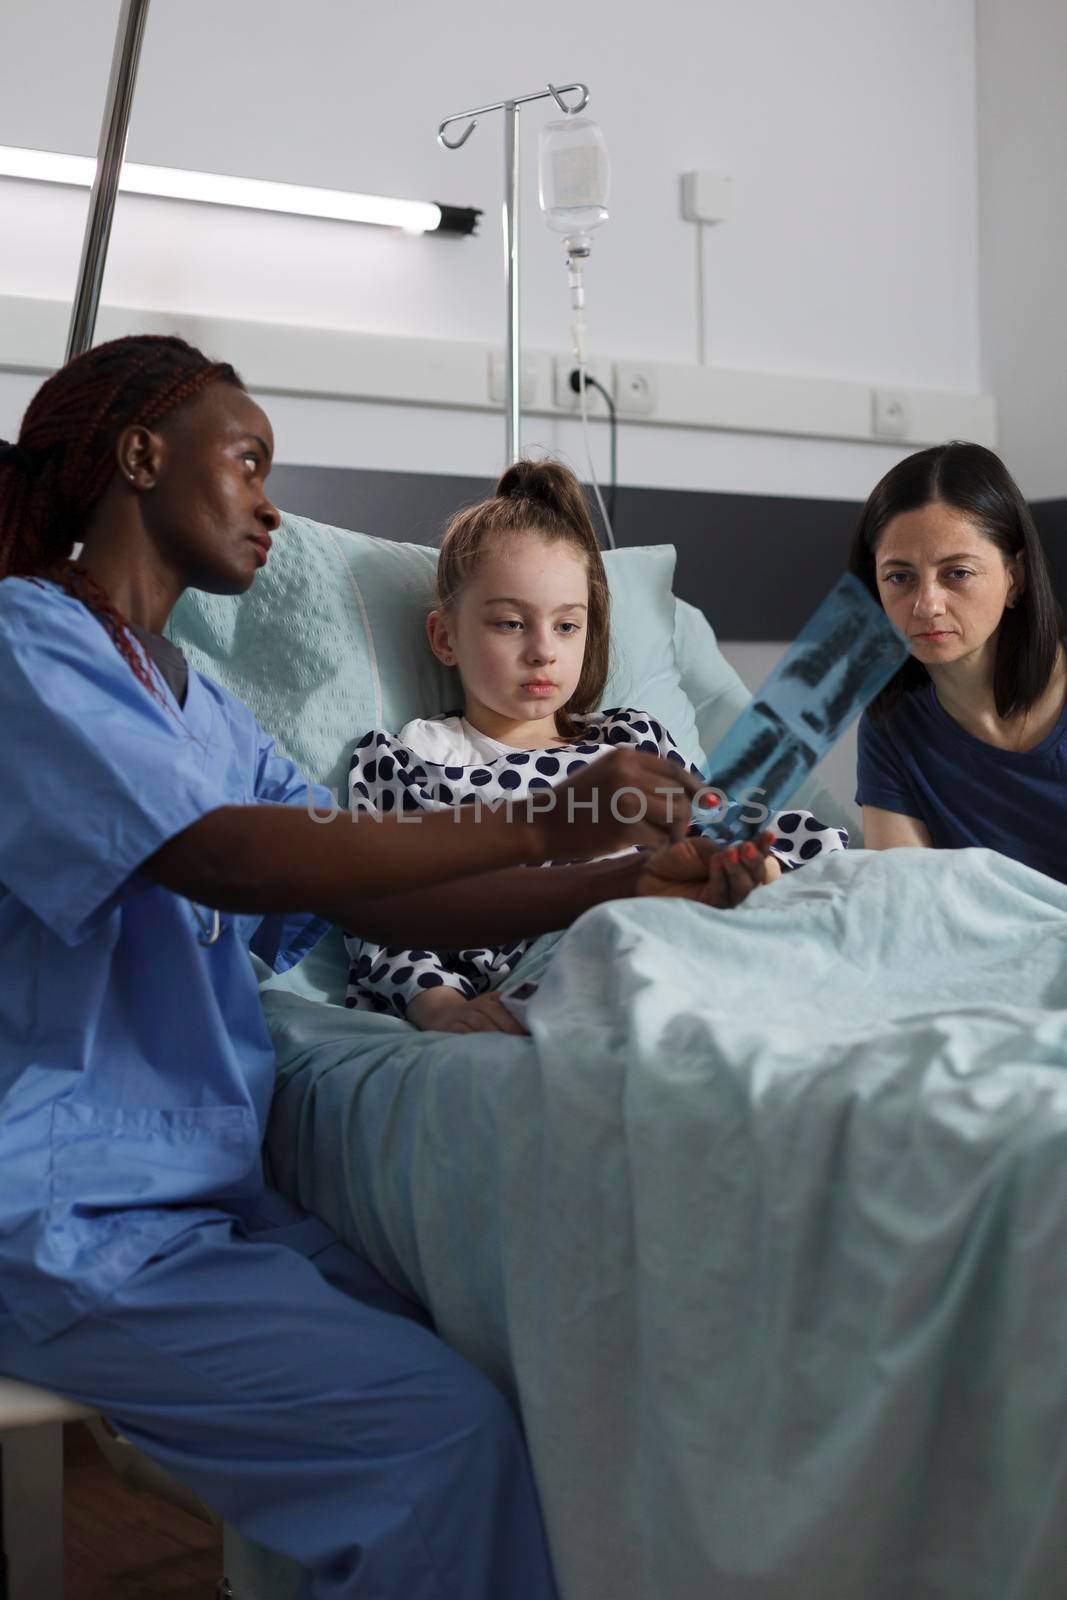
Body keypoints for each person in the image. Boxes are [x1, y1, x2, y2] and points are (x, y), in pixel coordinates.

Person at [0, 333, 772, 1598]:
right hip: (68, 1214)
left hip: (206, 1201)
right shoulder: (28, 644)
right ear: (140, 457)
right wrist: (544, 819)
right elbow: (223, 858)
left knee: (484, 1357)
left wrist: (610, 878)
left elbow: (370, 870)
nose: (269, 503)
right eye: (247, 463)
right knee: (438, 1442)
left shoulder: (200, 703)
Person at [344, 459, 848, 1034]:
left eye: (566, 626)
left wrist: (761, 871)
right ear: (445, 637)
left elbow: (718, 830)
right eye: (510, 623)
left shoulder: (631, 740)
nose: (543, 651)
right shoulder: (412, 760)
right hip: (558, 962)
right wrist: (444, 1009)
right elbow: (386, 915)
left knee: (870, 882)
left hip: (685, 926)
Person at [849, 440, 1067, 882]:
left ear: (1015, 577)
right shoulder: (891, 726)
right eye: (899, 577)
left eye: (958, 573)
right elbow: (906, 902)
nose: (927, 605)